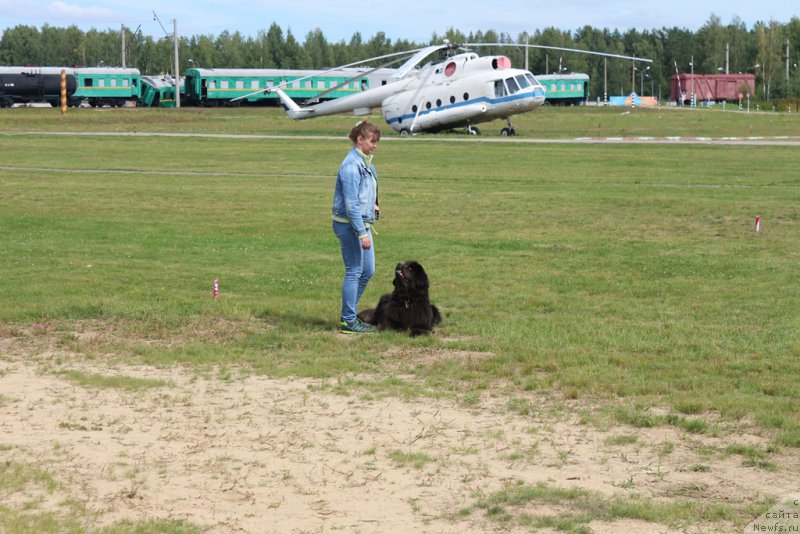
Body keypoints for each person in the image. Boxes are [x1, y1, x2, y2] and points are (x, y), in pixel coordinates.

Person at [332, 121, 382, 333]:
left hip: (362, 223)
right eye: (372, 141)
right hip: (350, 226)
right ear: (360, 139)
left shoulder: (365, 162)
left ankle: (350, 315)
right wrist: (362, 233)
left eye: (377, 142)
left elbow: (366, 192)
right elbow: (351, 204)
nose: (375, 145)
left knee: (367, 270)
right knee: (354, 270)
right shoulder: (351, 166)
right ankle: (348, 321)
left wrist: (374, 205)